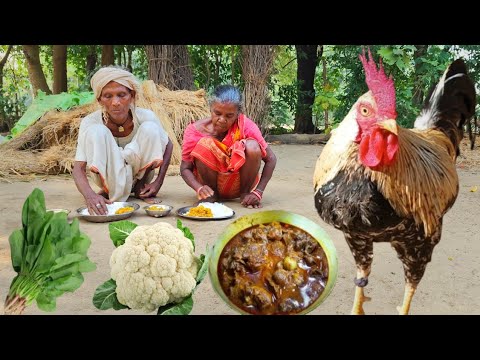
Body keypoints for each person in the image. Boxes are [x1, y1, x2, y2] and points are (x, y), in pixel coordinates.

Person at [73, 66, 173, 215]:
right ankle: (110, 190)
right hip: (107, 179)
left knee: (151, 128)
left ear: (132, 96)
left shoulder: (145, 116)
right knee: (97, 131)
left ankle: (139, 187)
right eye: (108, 96)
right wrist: (90, 195)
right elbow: (78, 168)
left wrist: (158, 182)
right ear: (99, 100)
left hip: (141, 175)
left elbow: (168, 144)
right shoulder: (90, 122)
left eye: (122, 95)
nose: (116, 102)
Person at [180, 84, 277, 208]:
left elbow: (271, 159)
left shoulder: (245, 125)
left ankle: (245, 195)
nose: (222, 119)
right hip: (208, 187)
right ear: (211, 109)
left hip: (240, 183)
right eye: (217, 113)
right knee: (204, 144)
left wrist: (258, 192)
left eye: (229, 116)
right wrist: (199, 188)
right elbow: (185, 168)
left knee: (252, 146)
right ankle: (211, 196)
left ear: (238, 114)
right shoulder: (194, 131)